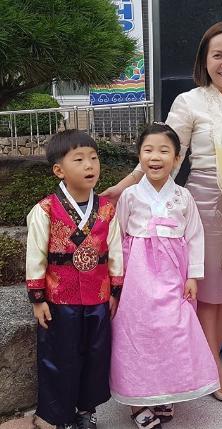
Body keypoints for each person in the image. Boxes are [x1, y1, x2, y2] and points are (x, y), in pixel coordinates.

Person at [102, 21, 222, 403]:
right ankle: (215, 373)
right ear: (204, 61)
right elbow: (166, 156)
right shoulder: (188, 102)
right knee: (206, 291)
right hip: (203, 203)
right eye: (217, 55)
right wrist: (123, 188)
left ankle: (210, 365)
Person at [110, 123, 219, 429]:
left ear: (176, 157)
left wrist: (193, 276)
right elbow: (116, 238)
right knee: (137, 333)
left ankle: (165, 392)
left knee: (173, 330)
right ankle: (136, 400)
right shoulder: (131, 195)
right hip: (137, 277)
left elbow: (195, 237)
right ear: (139, 156)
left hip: (174, 273)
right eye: (148, 150)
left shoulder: (183, 197)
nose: (155, 157)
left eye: (163, 150)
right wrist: (116, 278)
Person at [25, 130, 124, 429]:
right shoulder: (44, 210)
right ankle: (57, 415)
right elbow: (35, 258)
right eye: (79, 159)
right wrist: (38, 299)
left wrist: (115, 291)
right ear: (59, 170)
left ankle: (86, 411)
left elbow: (116, 251)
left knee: (95, 357)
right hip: (59, 301)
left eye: (93, 158)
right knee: (59, 358)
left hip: (97, 297)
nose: (89, 165)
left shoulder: (107, 209)